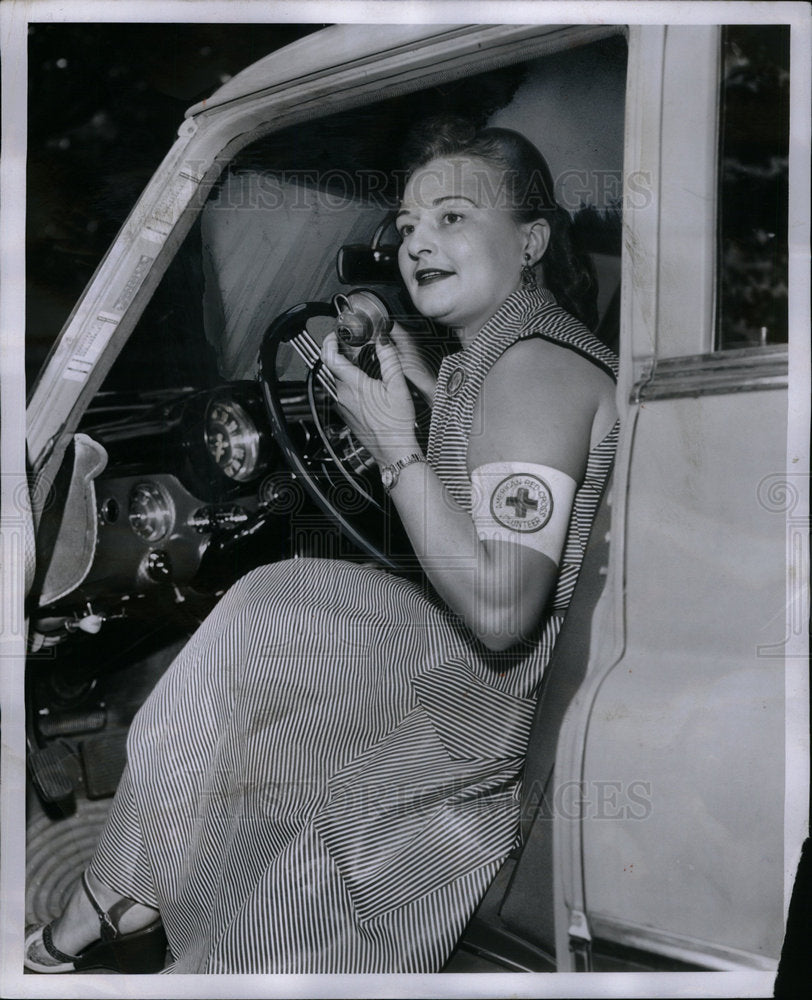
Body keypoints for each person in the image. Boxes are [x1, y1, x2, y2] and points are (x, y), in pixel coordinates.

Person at [25, 117, 618, 974]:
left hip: (494, 711)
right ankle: (121, 896)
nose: (419, 243)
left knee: (268, 619)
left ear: (530, 239)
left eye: (453, 217)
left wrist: (395, 445)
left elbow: (500, 609)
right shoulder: (496, 357)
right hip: (488, 678)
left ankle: (119, 906)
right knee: (270, 619)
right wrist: (405, 385)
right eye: (408, 226)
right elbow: (479, 457)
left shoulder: (535, 372)